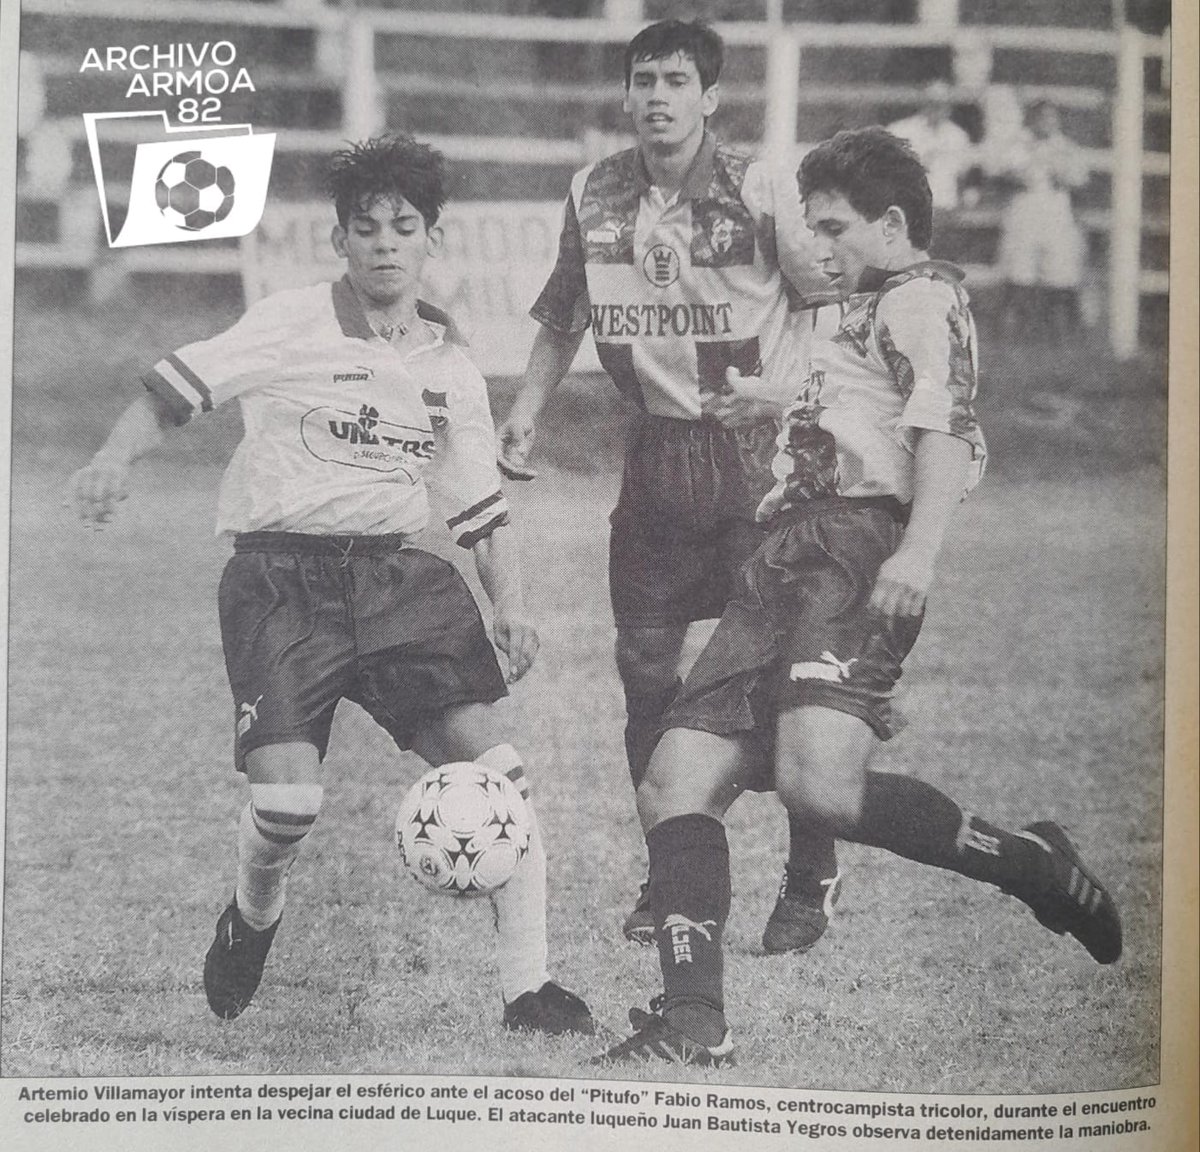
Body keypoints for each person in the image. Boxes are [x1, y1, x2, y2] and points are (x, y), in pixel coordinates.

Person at [597, 127, 1122, 1067]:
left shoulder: (925, 296)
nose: (818, 249)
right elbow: (849, 401)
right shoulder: (857, 308)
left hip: (856, 545)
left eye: (834, 230)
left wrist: (915, 554)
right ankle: (690, 1025)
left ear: (891, 225)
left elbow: (944, 429)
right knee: (673, 777)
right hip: (784, 551)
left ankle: (1035, 866)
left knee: (817, 788)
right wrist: (770, 402)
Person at [68, 134, 594, 1037]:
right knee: (286, 805)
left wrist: (510, 605)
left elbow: (479, 510)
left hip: (397, 583)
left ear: (434, 237)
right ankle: (254, 912)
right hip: (280, 582)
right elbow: (170, 394)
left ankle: (528, 991)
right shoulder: (290, 322)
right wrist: (114, 458)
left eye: (403, 226)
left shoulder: (450, 367)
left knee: (503, 782)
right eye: (366, 228)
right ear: (340, 241)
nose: (385, 243)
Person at [496, 18, 842, 955]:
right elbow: (564, 313)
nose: (657, 96)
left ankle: (810, 873)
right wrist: (527, 404)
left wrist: (792, 394)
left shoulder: (762, 187)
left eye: (676, 81)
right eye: (643, 79)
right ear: (625, 92)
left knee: (781, 680)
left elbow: (835, 304)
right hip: (653, 460)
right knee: (645, 672)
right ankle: (672, 879)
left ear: (710, 96)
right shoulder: (595, 189)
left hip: (759, 460)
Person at [995, 99, 1090, 342]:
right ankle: (1014, 333)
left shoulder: (1066, 147)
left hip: (1056, 212)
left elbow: (1080, 179)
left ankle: (1053, 333)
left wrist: (1062, 173)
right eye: (1041, 117)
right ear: (1032, 119)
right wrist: (1017, 173)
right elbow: (1001, 171)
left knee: (1058, 272)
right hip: (1024, 210)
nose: (1046, 123)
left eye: (1051, 118)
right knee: (1019, 272)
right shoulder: (1019, 144)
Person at [886, 80, 972, 212]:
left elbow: (963, 177)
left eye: (942, 104)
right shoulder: (900, 131)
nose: (936, 109)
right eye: (931, 103)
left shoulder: (958, 137)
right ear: (922, 103)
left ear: (949, 106)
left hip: (945, 211)